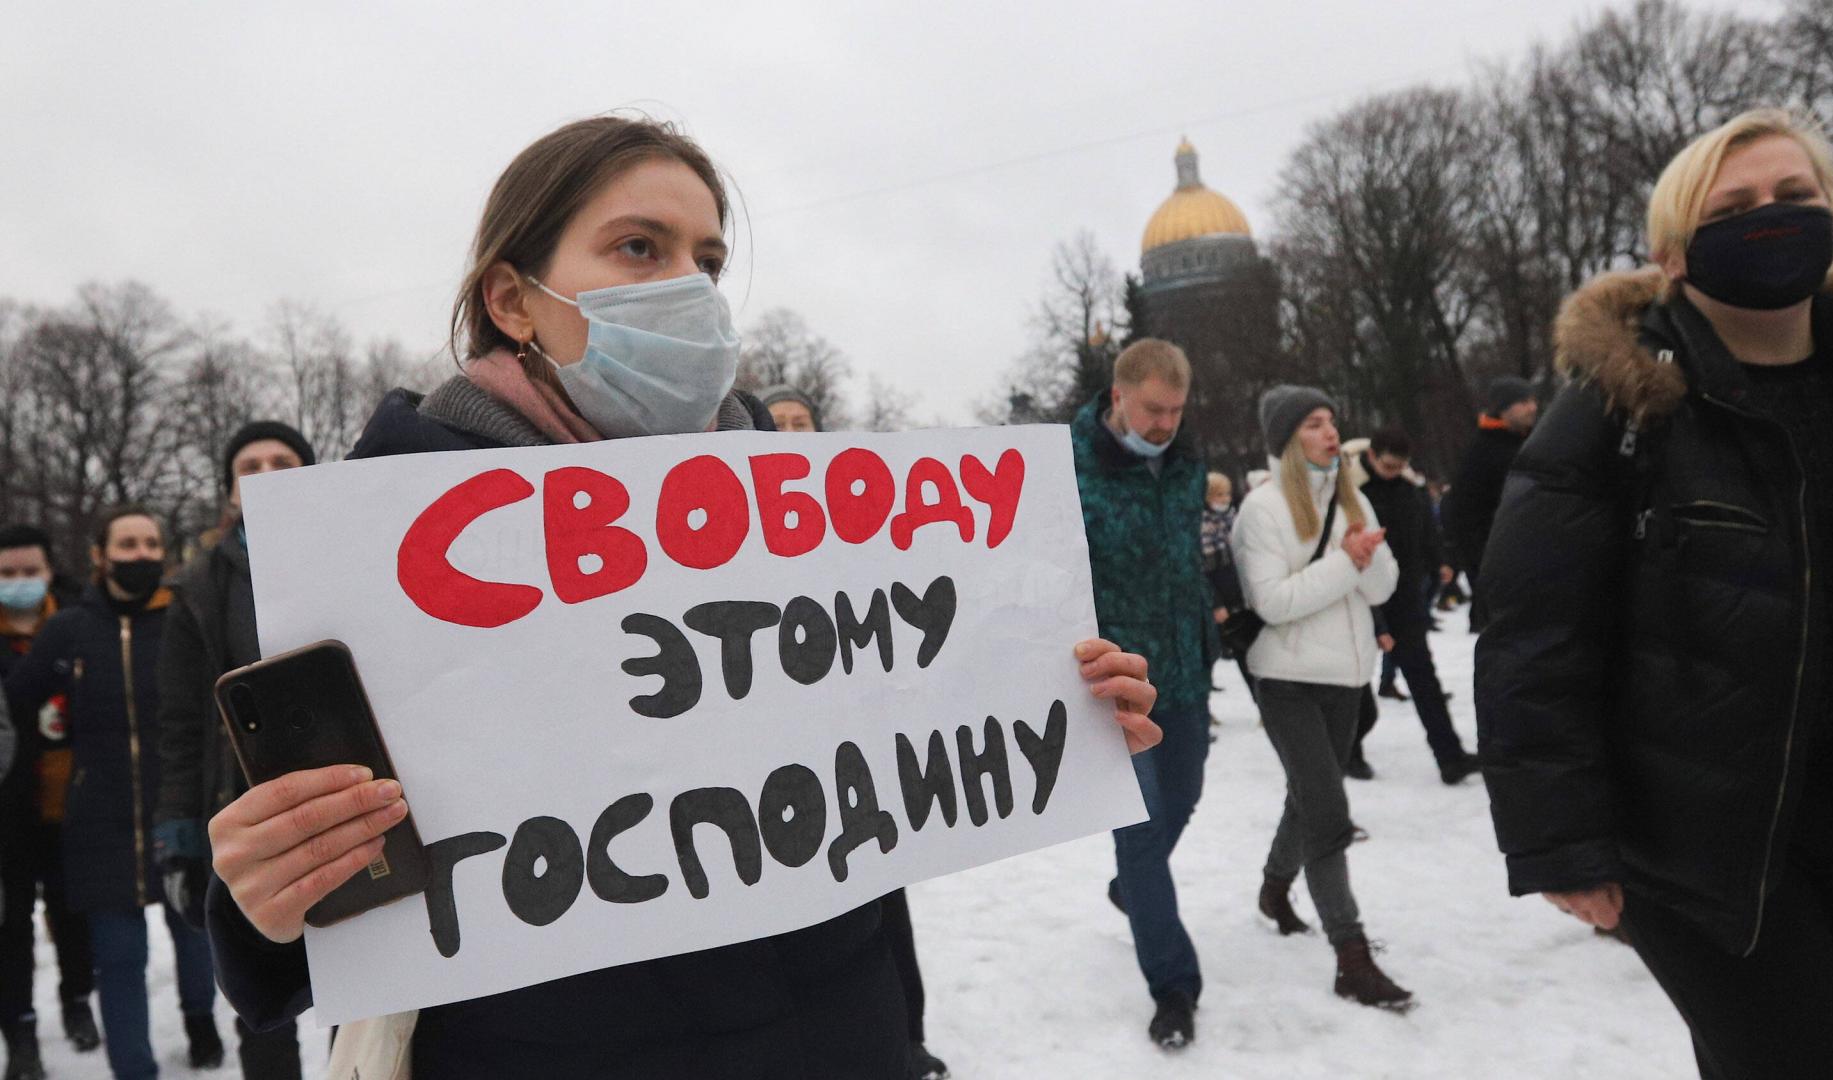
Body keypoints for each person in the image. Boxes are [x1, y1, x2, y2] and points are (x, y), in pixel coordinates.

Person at [201, 115, 1161, 1080]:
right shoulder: (375, 549)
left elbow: (888, 760)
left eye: (707, 259)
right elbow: (310, 927)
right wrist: (264, 896)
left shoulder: (816, 526)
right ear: (512, 299)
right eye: (637, 247)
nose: (689, 290)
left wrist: (1054, 698)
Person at [1477, 109, 1833, 1080]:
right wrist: (1561, 838)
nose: (1773, 218)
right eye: (1737, 207)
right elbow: (1532, 630)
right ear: (1674, 254)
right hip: (1702, 840)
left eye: (1795, 198)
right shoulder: (1618, 411)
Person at [756, 381, 951, 1080]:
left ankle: (908, 1038)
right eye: (774, 424)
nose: (788, 434)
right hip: (773, 770)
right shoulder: (725, 530)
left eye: (800, 422)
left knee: (881, 909)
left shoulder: (851, 521)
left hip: (857, 755)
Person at [6, 509, 222, 1079]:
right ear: (101, 556)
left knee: (194, 935)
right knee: (119, 959)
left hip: (178, 806)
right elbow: (15, 706)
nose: (142, 554)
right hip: (96, 818)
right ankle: (133, 1069)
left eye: (151, 543)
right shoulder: (70, 628)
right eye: (127, 544)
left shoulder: (183, 616)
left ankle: (201, 1020)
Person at [1233, 386, 1414, 1010]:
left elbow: (1383, 584)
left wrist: (1365, 553)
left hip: (1347, 679)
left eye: (1333, 420)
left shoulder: (1350, 497)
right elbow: (1273, 603)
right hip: (1286, 681)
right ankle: (1351, 957)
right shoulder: (1261, 509)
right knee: (1327, 809)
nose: (1330, 432)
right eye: (1314, 424)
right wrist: (1345, 563)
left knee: (1308, 794)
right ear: (1289, 440)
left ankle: (1273, 889)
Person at [150, 421, 314, 1080]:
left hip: (359, 775)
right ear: (229, 493)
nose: (267, 472)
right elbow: (182, 719)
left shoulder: (360, 547)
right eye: (250, 464)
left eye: (284, 461)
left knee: (372, 978)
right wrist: (181, 833)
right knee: (263, 988)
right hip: (244, 797)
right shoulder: (195, 587)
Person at [1071, 338, 1214, 1049]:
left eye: (1177, 411)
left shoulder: (1187, 464)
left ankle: (1134, 889)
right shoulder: (1068, 467)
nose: (1166, 424)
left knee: (1183, 797)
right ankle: (1173, 985)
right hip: (1116, 685)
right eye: (1154, 409)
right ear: (1118, 396)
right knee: (1143, 826)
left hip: (1185, 670)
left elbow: (1189, 559)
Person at [0, 525, 97, 1080]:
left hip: (72, 803)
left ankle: (77, 998)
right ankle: (20, 1028)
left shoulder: (77, 627)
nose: (20, 583)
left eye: (28, 572)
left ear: (48, 570)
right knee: (11, 922)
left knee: (72, 912)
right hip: (9, 811)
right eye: (7, 574)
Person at [1359, 429, 1478, 785]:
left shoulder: (1412, 494)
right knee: (1352, 683)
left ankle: (1450, 756)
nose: (1394, 470)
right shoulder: (1358, 497)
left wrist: (1439, 561)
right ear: (1372, 457)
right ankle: (1349, 751)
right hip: (1364, 600)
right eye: (1388, 465)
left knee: (1424, 678)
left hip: (1407, 597)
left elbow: (1427, 532)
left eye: (1400, 465)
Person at [1443, 375, 1537, 632]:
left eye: (1532, 400)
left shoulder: (1529, 443)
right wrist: (1481, 565)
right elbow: (1462, 514)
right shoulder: (1483, 451)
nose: (1532, 407)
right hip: (1499, 564)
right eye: (1523, 402)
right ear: (1503, 408)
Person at [1201, 471, 1256, 705]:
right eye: (1219, 494)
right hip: (1215, 599)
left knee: (1249, 651)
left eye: (1227, 494)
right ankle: (1204, 706)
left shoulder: (1236, 518)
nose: (1225, 499)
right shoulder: (1200, 525)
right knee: (1209, 654)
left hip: (1241, 595)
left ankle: (1261, 701)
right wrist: (1215, 603)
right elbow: (1200, 569)